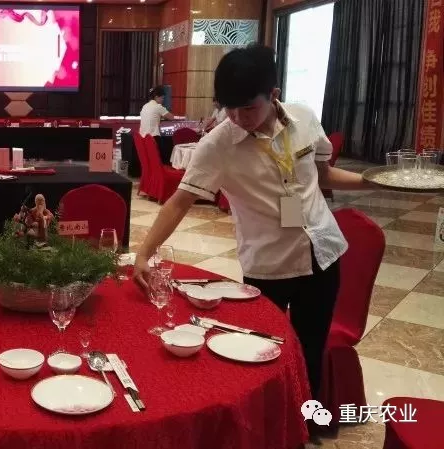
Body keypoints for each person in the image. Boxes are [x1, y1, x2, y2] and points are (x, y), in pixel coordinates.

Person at [132, 45, 371, 441]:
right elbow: (179, 202)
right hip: (268, 264)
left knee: (311, 349)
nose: (239, 118)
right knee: (262, 353)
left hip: (323, 253)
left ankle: (306, 427)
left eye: (249, 108)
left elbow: (324, 175)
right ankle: (269, 430)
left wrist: (374, 181)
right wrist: (144, 251)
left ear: (273, 95)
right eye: (230, 109)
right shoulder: (217, 145)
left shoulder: (305, 118)